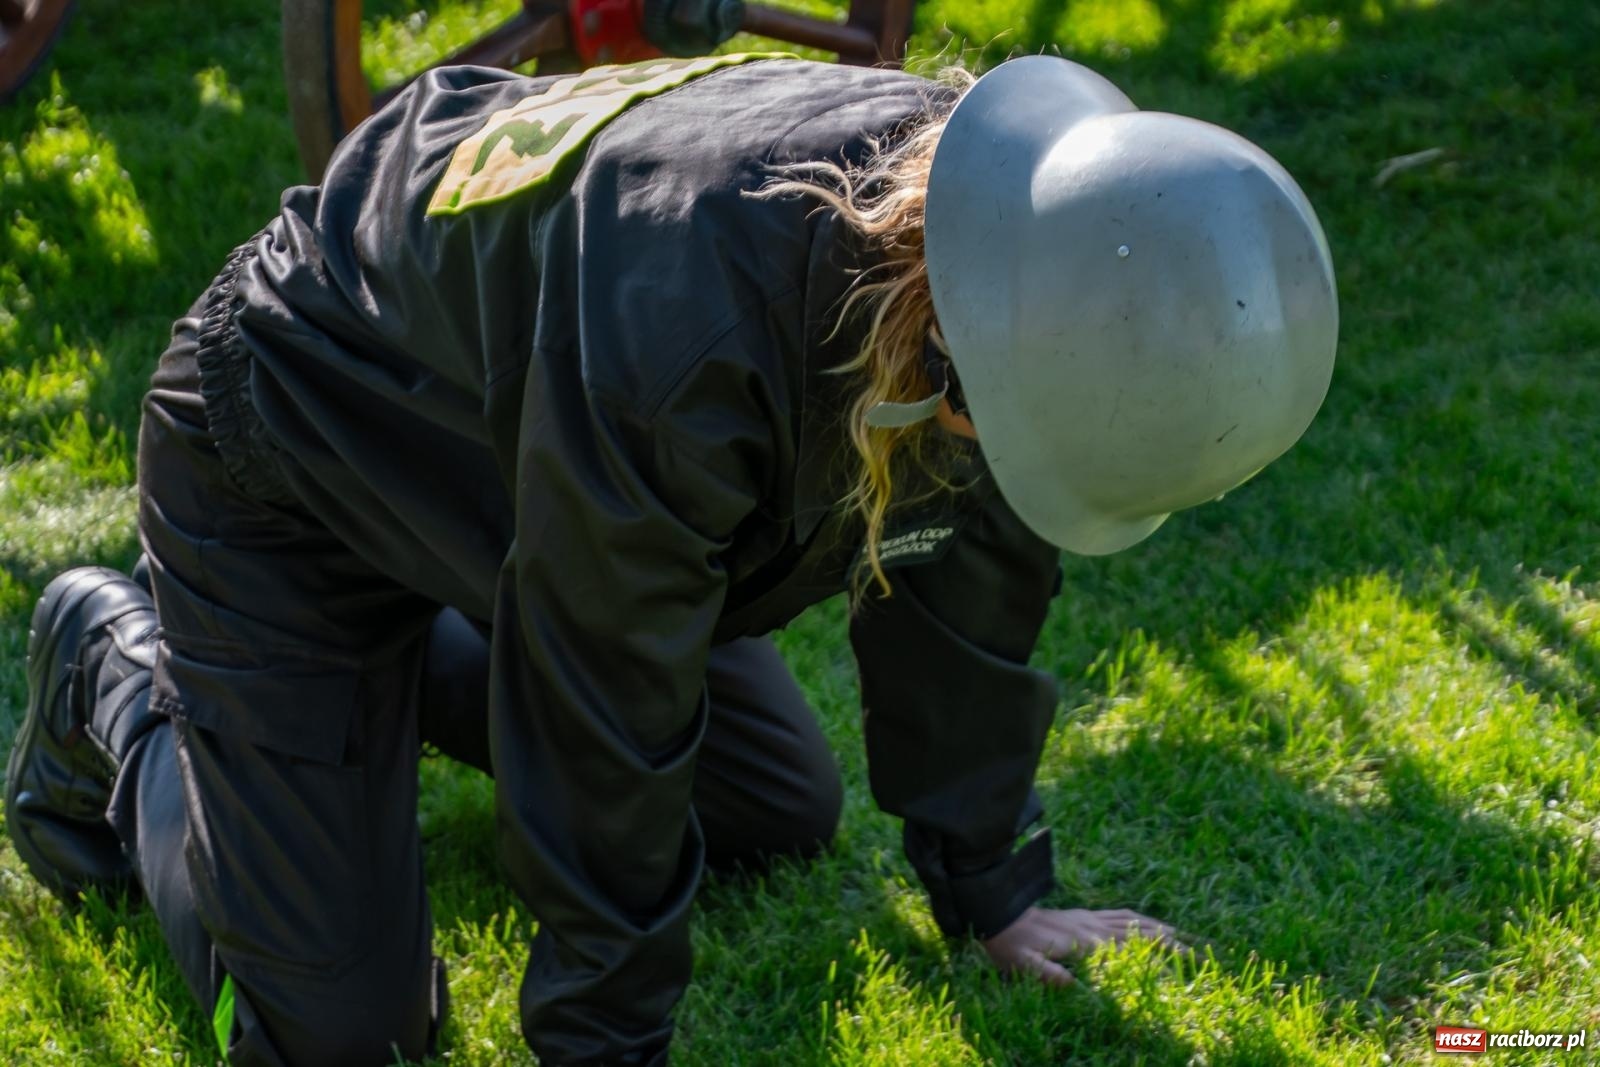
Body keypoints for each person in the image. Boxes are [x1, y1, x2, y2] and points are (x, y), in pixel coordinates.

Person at [4, 52, 1338, 1066]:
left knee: (771, 809)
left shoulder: (1012, 238)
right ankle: (118, 667)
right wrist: (606, 1045)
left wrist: (991, 890)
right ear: (959, 337)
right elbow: (602, 702)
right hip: (290, 459)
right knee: (345, 1040)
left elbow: (965, 571)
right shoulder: (696, 338)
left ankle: (355, 699)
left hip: (503, 467)